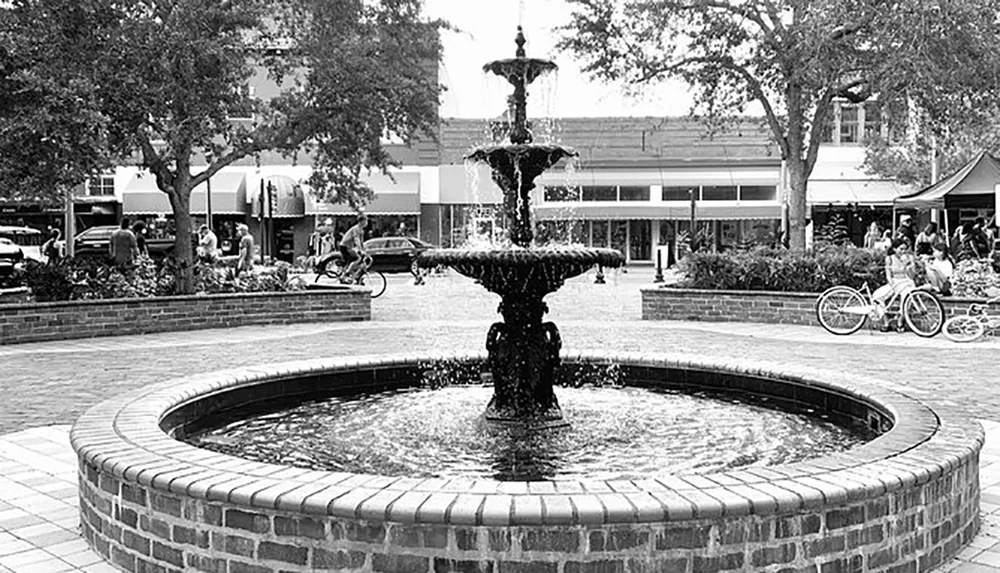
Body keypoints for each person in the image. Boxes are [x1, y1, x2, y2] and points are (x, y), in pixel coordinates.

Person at [872, 238, 917, 331]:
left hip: (906, 281)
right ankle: (886, 321)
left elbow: (912, 276)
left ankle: (900, 321)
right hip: (894, 282)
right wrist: (892, 285)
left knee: (906, 298)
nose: (903, 251)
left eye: (905, 249)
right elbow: (888, 275)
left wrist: (908, 266)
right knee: (877, 296)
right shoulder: (889, 259)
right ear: (895, 249)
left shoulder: (910, 258)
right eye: (901, 249)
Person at [339, 213, 368, 283]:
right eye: (365, 221)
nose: (366, 223)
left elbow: (361, 242)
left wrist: (364, 250)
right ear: (361, 221)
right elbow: (356, 240)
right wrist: (360, 250)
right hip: (344, 246)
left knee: (359, 260)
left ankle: (356, 277)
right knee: (357, 258)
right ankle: (347, 273)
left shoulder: (361, 230)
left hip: (349, 247)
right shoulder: (356, 229)